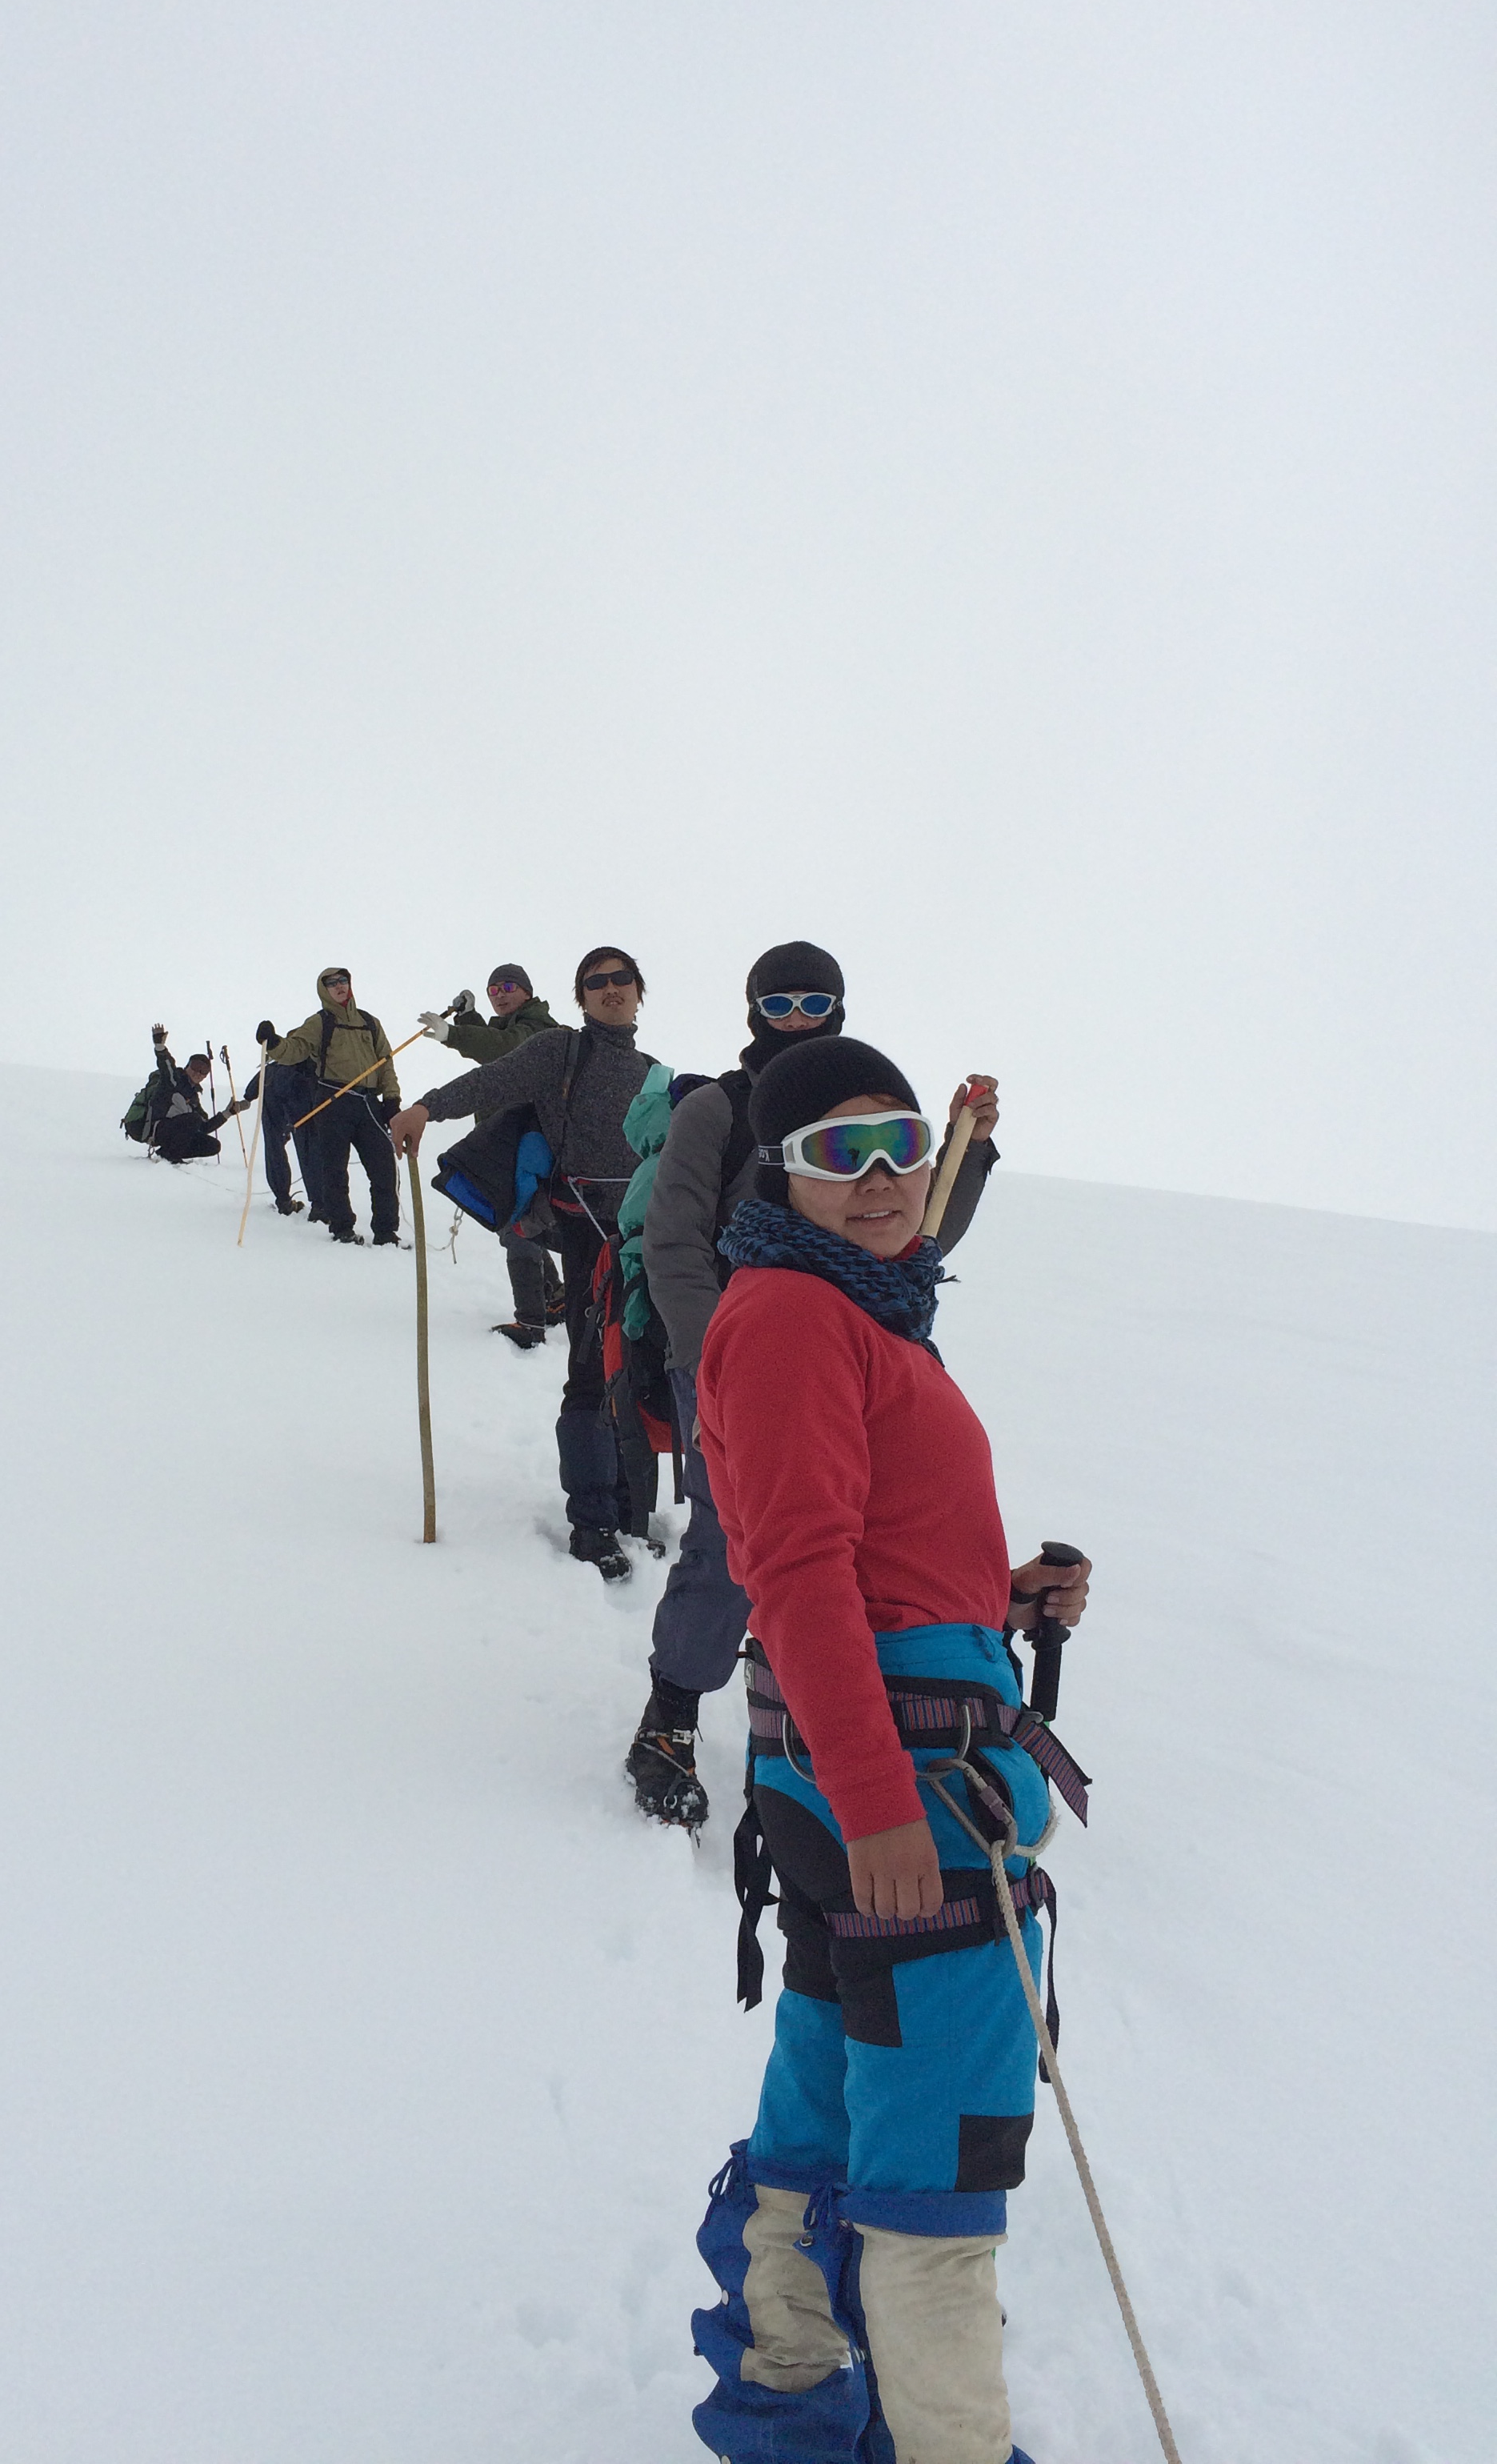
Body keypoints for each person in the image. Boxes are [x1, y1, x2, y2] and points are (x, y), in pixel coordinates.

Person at [686, 1033, 1090, 2464]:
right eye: (832, 1149)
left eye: (896, 1139)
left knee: (831, 2079)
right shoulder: (799, 1311)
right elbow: (793, 1568)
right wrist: (879, 1804)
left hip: (862, 1753)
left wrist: (1000, 1600)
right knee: (936, 2144)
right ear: (778, 1176)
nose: (876, 1174)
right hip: (898, 1781)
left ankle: (786, 2385)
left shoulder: (851, 1311)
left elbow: (865, 1558)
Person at [628, 942, 1000, 1829]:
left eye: (815, 1001)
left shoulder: (863, 1109)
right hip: (744, 1355)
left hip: (864, 1346)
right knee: (737, 1547)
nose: (798, 1018)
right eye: (781, 1002)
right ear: (754, 1008)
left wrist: (963, 1152)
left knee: (875, 1543)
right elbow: (675, 1238)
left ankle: (823, 1722)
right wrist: (714, 1357)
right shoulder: (723, 1107)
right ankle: (672, 1713)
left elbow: (915, 1231)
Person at [391, 947, 654, 1577]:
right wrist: (426, 1106)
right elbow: (491, 1081)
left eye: (622, 980)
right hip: (589, 1235)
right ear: (580, 996)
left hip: (645, 1239)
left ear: (639, 992)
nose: (610, 989)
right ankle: (593, 1523)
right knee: (592, 1372)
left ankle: (629, 1509)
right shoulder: (559, 1050)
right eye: (597, 982)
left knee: (636, 1369)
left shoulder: (654, 1072)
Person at [418, 964, 568, 1344]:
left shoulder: (539, 1028)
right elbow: (493, 1042)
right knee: (523, 1221)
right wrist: (468, 1016)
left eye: (507, 986)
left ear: (527, 992)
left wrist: (453, 1032)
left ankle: (531, 1323)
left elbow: (502, 1047)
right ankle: (556, 1297)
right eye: (492, 990)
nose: (499, 994)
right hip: (515, 1142)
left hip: (528, 1143)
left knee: (516, 1224)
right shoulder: (513, 1025)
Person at [268, 970, 403, 1246]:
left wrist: (392, 1100)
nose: (340, 987)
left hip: (368, 1103)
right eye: (332, 984)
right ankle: (342, 1228)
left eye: (343, 981)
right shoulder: (319, 1022)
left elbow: (386, 1062)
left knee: (383, 1169)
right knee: (334, 1170)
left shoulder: (369, 1022)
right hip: (333, 1099)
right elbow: (295, 1049)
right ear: (323, 990)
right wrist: (274, 1044)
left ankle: (386, 1231)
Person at [242, 1018, 326, 1217]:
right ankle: (319, 1206)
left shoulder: (271, 1067)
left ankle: (283, 1200)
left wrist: (242, 1103)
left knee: (274, 1150)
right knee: (309, 1153)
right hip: (302, 1109)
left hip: (272, 1111)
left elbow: (250, 1092)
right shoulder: (309, 1064)